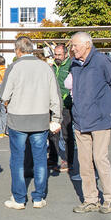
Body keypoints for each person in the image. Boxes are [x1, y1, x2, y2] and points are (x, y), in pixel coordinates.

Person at [0, 36, 61, 210]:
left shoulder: (14, 67)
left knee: (17, 159)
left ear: (18, 50)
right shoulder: (45, 67)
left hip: (18, 118)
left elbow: (3, 95)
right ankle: (38, 197)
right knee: (40, 159)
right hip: (40, 118)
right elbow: (54, 96)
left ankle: (19, 199)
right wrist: (56, 118)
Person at [68, 32, 111, 214]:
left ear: (87, 45)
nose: (73, 48)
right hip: (80, 121)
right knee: (84, 163)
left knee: (100, 159)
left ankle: (109, 198)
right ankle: (90, 199)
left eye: (75, 45)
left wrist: (107, 109)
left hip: (99, 120)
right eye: (72, 45)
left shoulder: (101, 61)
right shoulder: (75, 64)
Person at [48, 43, 75, 175]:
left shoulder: (70, 66)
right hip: (53, 105)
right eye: (55, 54)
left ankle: (68, 161)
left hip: (65, 105)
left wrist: (65, 98)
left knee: (66, 134)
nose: (56, 57)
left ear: (65, 54)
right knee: (53, 133)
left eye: (59, 54)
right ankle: (53, 159)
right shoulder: (52, 66)